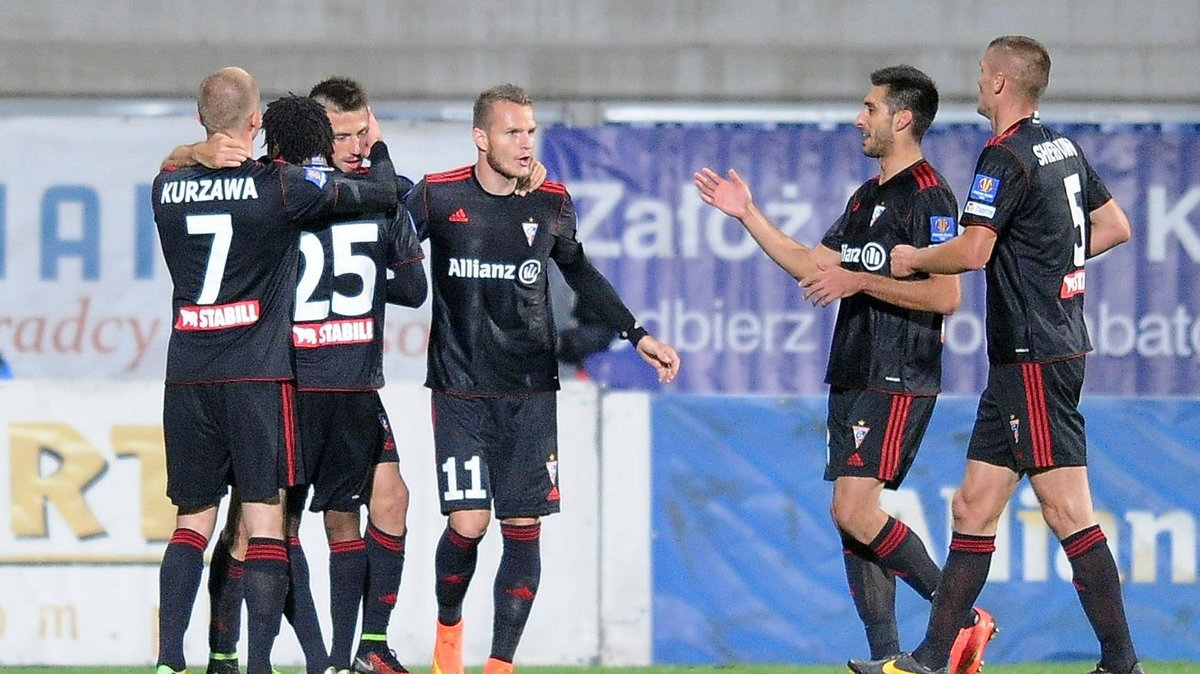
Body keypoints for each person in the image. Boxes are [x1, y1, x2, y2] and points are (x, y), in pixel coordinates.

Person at [849, 37, 1138, 674]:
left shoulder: (1003, 156)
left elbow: (974, 251)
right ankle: (929, 659)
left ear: (1003, 84)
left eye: (982, 75)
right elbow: (1115, 226)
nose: (977, 84)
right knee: (972, 506)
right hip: (1033, 353)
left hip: (1035, 353)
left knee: (1067, 512)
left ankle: (1121, 662)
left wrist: (916, 258)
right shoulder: (1063, 147)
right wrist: (1053, 259)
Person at [694, 65, 994, 672]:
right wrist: (747, 214)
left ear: (902, 118)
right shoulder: (866, 198)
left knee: (855, 511)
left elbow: (946, 296)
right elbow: (811, 265)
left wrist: (860, 280)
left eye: (870, 108)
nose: (860, 118)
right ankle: (886, 658)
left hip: (899, 371)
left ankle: (961, 619)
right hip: (853, 369)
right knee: (849, 521)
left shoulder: (929, 196)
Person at [406, 83, 681, 674]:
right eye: (512, 131)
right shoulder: (437, 194)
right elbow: (384, 242)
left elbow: (582, 272)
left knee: (522, 524)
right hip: (459, 388)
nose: (525, 142)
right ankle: (448, 631)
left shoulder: (551, 201)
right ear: (481, 138)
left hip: (530, 389)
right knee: (468, 523)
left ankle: (500, 665)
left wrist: (639, 335)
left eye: (530, 131)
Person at [152, 68, 398, 674]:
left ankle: (167, 661)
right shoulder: (280, 189)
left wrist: (191, 152)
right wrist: (379, 144)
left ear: (201, 121)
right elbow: (382, 191)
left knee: (193, 522)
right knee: (265, 522)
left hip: (186, 373)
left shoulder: (165, 188)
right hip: (256, 376)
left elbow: (169, 166)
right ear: (255, 123)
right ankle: (262, 665)